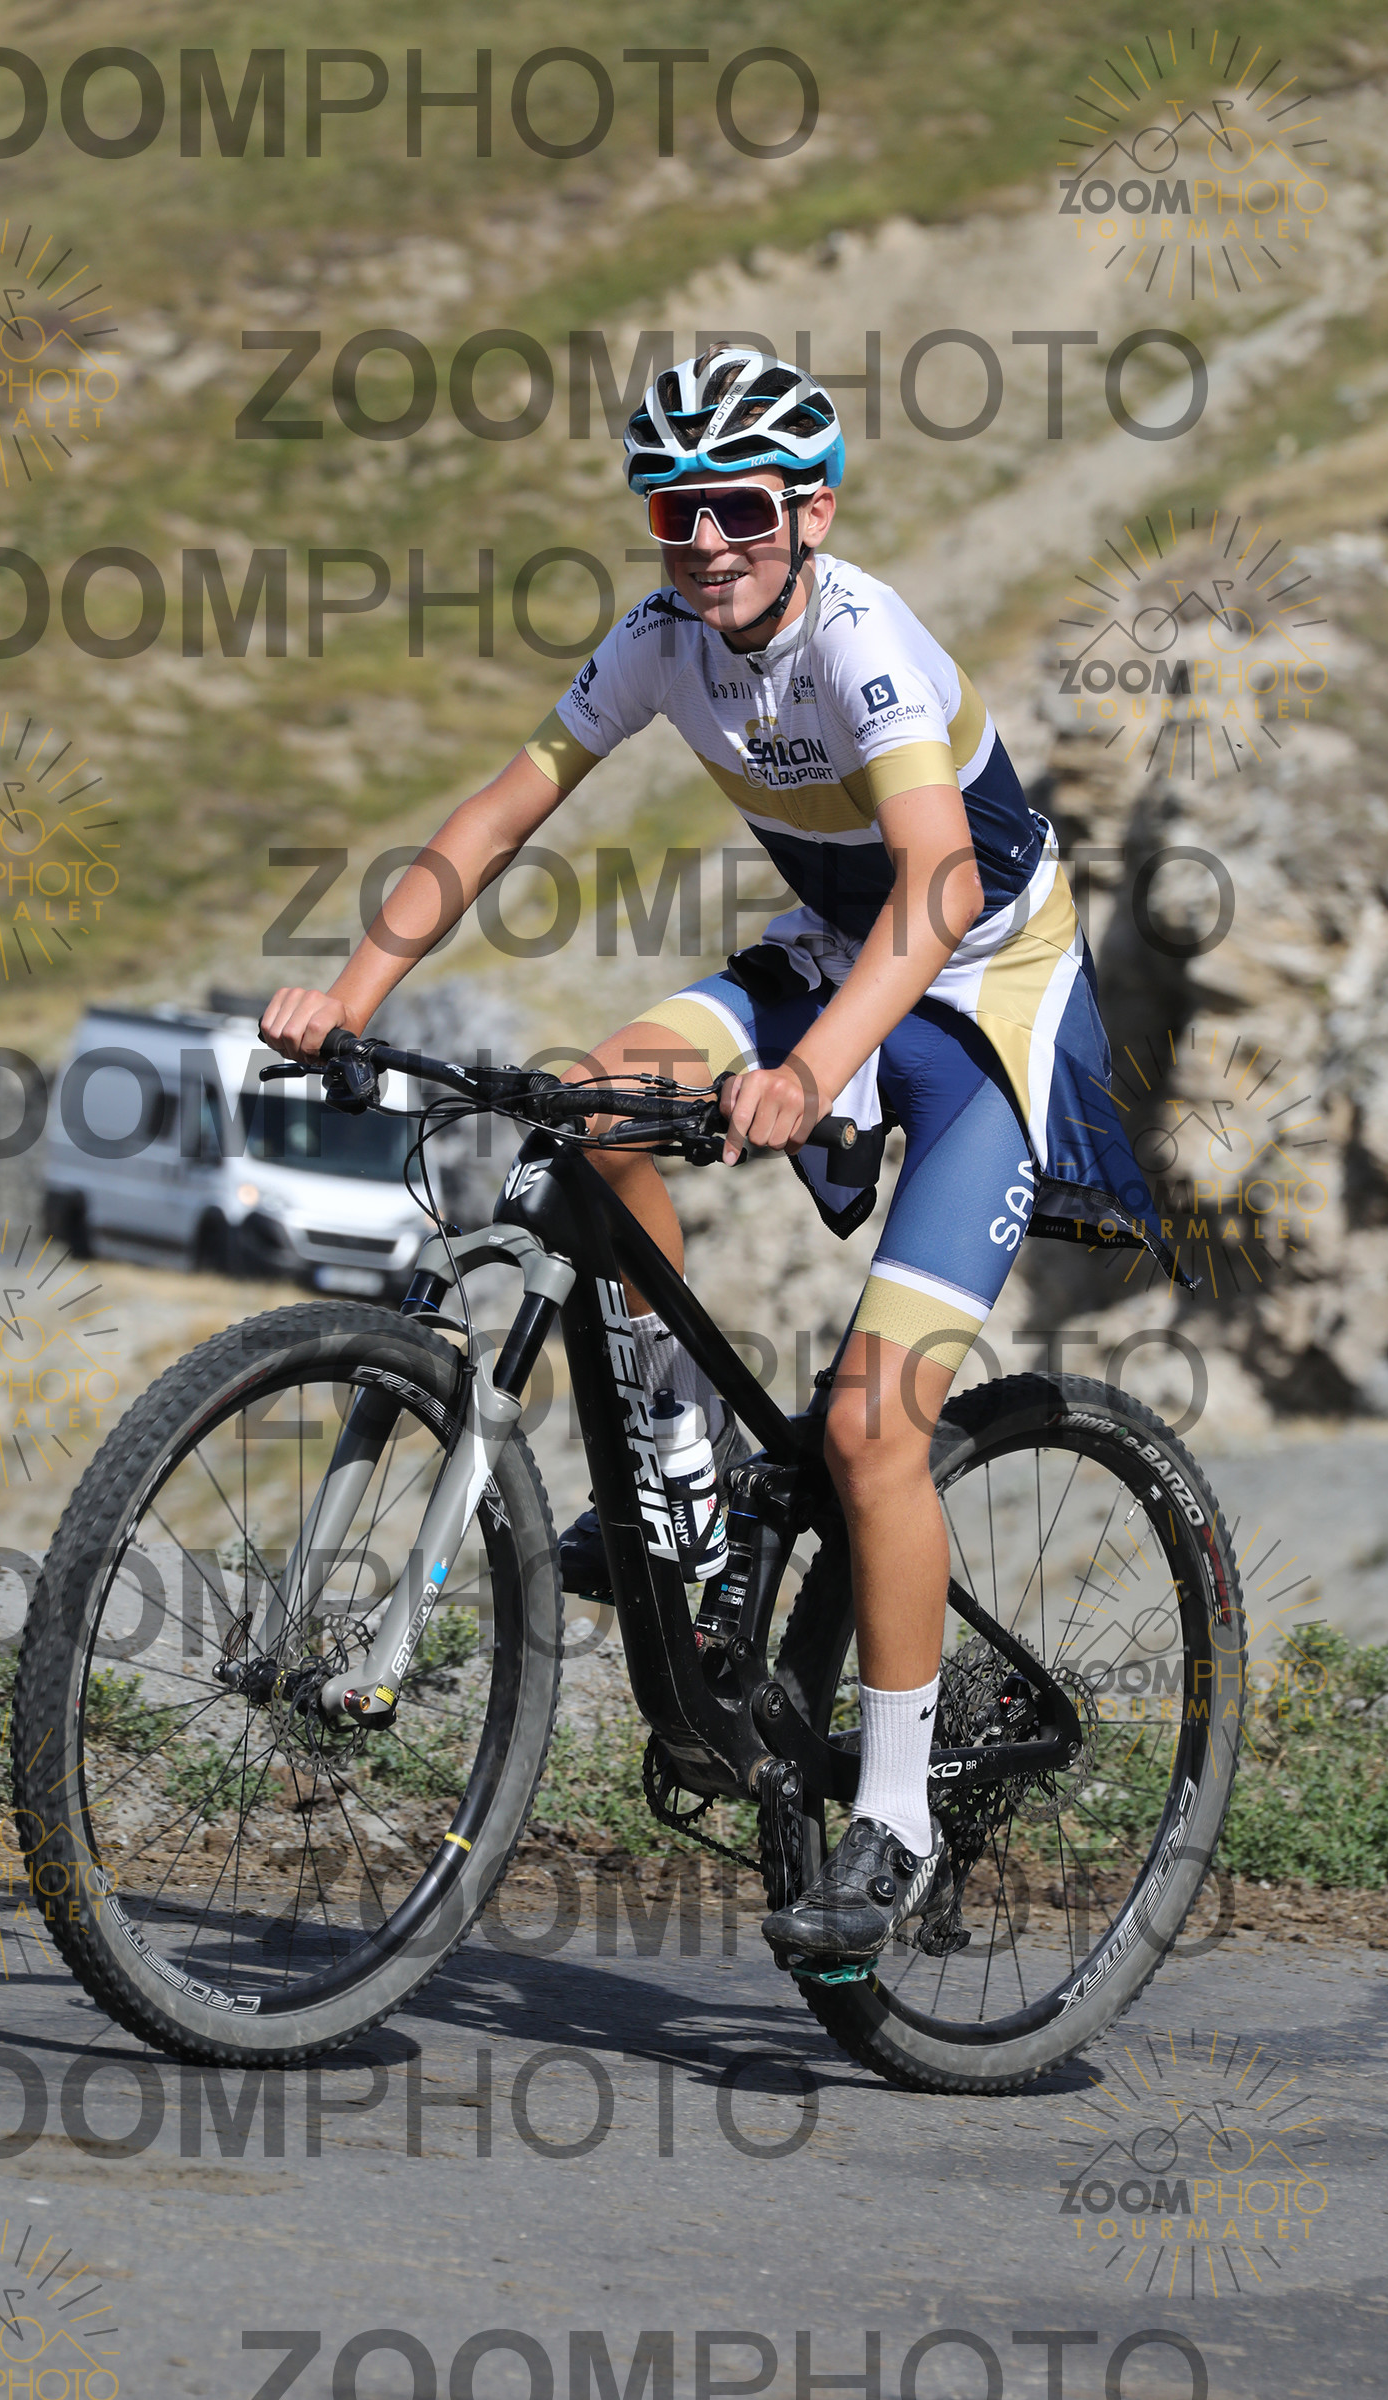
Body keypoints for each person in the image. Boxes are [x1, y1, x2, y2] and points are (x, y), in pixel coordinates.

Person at [262, 346, 1172, 1966]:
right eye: (672, 513)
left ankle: (891, 1815)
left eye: (739, 510)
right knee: (592, 1101)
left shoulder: (861, 640)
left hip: (983, 998)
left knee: (872, 1429)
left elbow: (942, 885)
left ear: (810, 510)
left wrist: (815, 1075)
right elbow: (502, 811)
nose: (704, 542)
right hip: (833, 960)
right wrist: (353, 991)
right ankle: (677, 1479)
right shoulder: (662, 638)